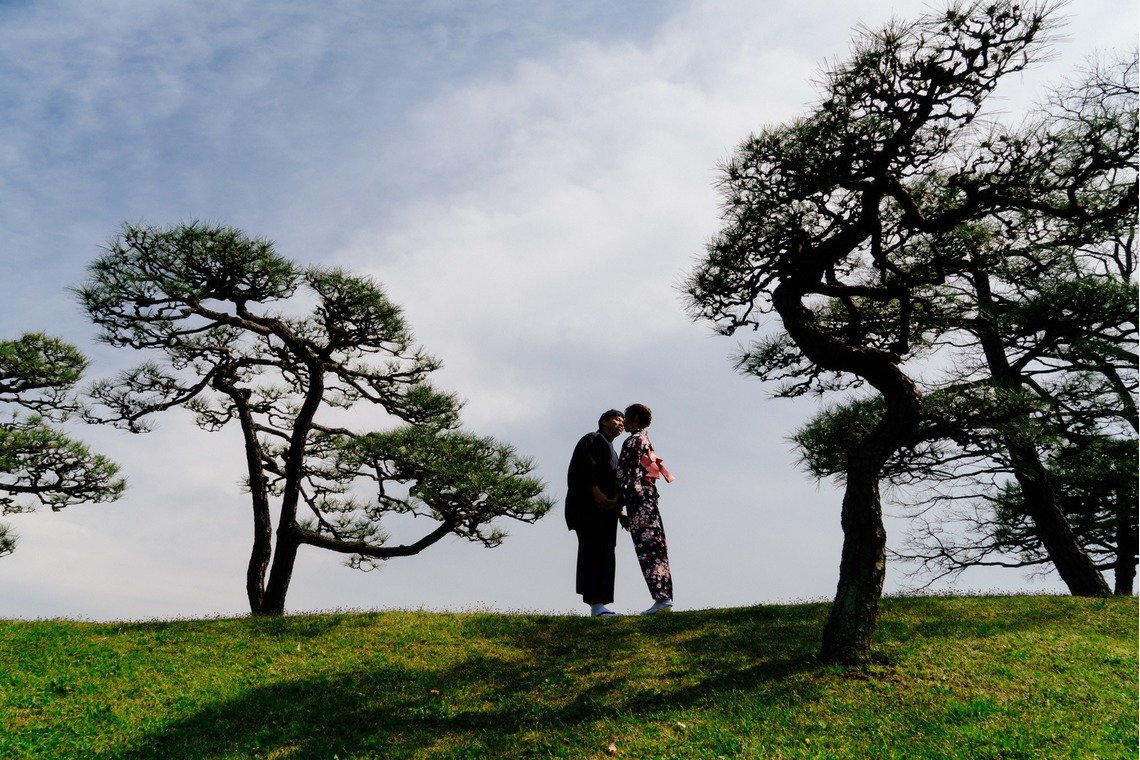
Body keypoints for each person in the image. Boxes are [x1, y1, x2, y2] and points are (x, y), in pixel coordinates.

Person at [565, 409, 626, 617]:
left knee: (607, 553)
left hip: (607, 512)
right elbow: (582, 468)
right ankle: (595, 603)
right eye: (617, 419)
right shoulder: (592, 439)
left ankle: (599, 604)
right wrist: (596, 492)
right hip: (588, 508)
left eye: (623, 421)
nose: (621, 423)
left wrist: (619, 510)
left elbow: (616, 483)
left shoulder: (614, 453)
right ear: (603, 422)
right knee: (591, 551)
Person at [617, 403, 674, 614]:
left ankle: (662, 598)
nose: (624, 422)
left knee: (648, 548)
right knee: (657, 547)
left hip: (638, 500)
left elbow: (625, 474)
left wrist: (617, 504)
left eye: (627, 418)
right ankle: (663, 597)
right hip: (648, 499)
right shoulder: (645, 441)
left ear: (635, 420)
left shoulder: (632, 441)